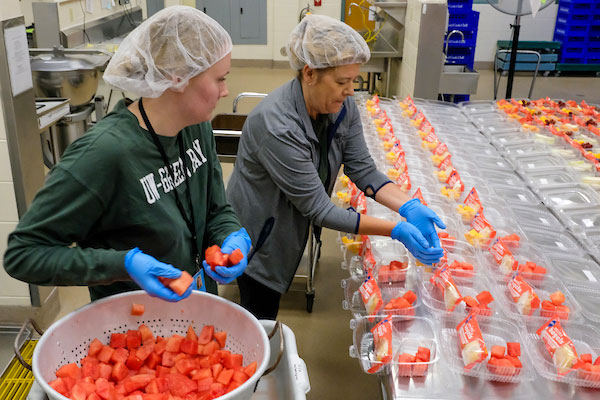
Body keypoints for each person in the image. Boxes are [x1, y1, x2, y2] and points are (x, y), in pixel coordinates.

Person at [3, 6, 251, 302]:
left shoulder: (196, 128)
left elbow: (215, 209)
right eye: (220, 79)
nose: (225, 91)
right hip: (133, 326)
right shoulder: (104, 154)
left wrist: (229, 238)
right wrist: (124, 265)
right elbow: (24, 254)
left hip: (192, 307)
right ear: (178, 78)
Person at [226, 15, 445, 320]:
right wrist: (395, 229)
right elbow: (319, 209)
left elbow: (363, 169)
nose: (351, 91)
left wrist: (408, 205)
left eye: (353, 80)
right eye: (342, 82)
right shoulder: (275, 124)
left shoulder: (342, 108)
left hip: (289, 220)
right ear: (310, 73)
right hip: (259, 234)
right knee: (260, 310)